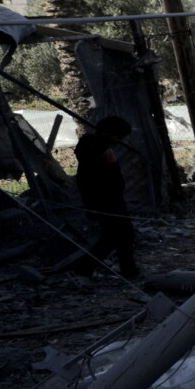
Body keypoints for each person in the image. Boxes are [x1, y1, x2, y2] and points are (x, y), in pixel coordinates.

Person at [69, 116, 139, 280]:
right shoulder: (92, 149)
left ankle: (127, 269)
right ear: (106, 132)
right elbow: (85, 180)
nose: (119, 140)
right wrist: (91, 205)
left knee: (120, 236)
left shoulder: (98, 147)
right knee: (117, 236)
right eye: (118, 136)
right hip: (105, 200)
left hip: (112, 199)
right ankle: (85, 268)